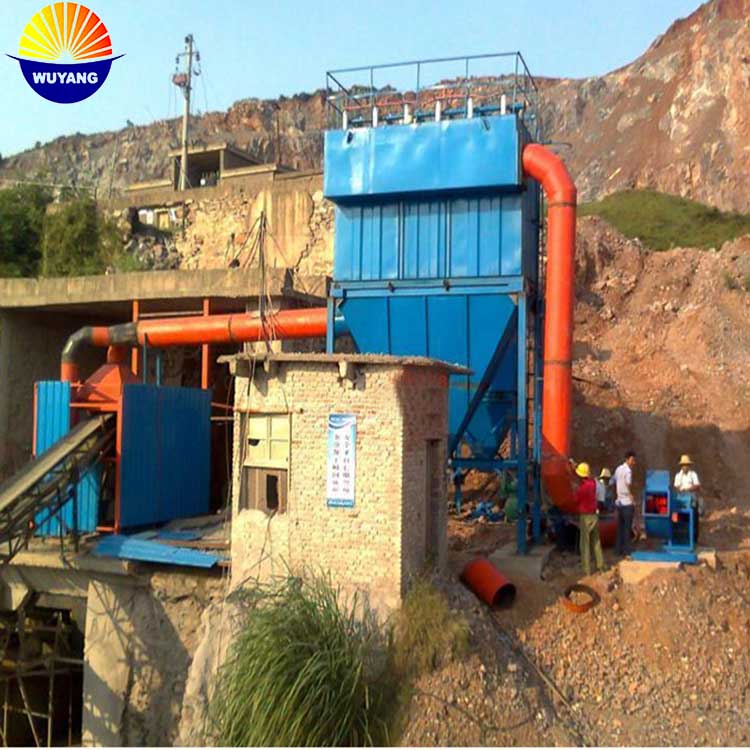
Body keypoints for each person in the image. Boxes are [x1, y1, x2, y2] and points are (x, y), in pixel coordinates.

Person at [575, 462, 605, 576]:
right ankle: (601, 566)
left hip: (585, 517)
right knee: (596, 542)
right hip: (594, 516)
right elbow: (588, 477)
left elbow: (576, 500)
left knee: (585, 544)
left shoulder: (581, 489)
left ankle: (586, 570)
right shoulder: (592, 483)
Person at [612, 451, 636, 556]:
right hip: (627, 503)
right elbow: (628, 483)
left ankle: (617, 550)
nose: (633, 462)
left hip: (619, 503)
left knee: (620, 528)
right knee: (627, 528)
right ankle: (626, 550)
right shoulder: (628, 471)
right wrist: (631, 496)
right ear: (627, 459)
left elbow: (613, 481)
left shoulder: (618, 469)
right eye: (632, 460)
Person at [674, 454, 702, 544]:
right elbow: (676, 487)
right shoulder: (678, 476)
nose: (685, 467)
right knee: (676, 516)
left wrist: (688, 489)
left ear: (689, 466)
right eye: (684, 465)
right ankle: (679, 536)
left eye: (687, 465)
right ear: (681, 466)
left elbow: (697, 485)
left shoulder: (693, 474)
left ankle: (694, 538)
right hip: (681, 498)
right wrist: (681, 490)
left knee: (694, 516)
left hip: (691, 497)